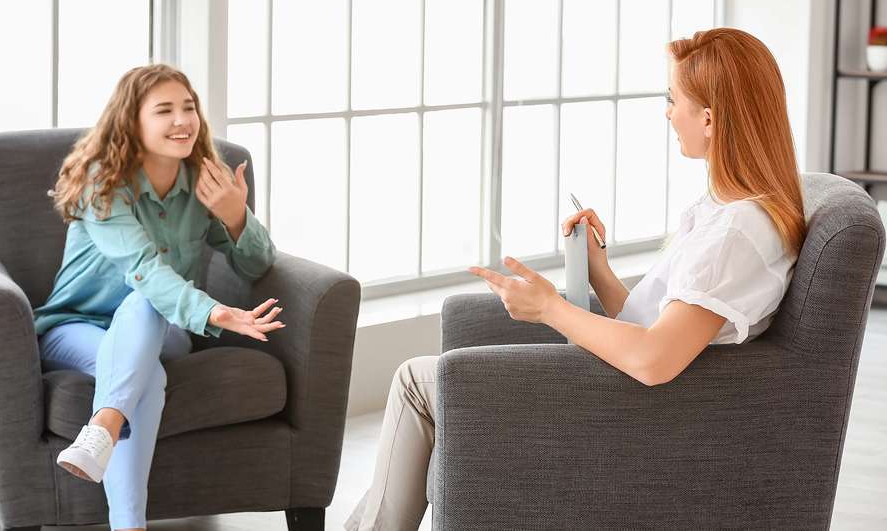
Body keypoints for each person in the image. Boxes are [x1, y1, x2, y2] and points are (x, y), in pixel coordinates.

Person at [344, 27, 807, 531]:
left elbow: (655, 359)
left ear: (710, 119)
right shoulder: (732, 213)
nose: (668, 114)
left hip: (625, 406)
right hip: (621, 390)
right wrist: (597, 269)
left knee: (415, 381)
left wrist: (550, 307)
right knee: (429, 387)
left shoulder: (735, 232)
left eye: (673, 100)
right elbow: (658, 327)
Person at [34, 63, 284, 531]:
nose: (182, 120)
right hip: (75, 326)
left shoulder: (203, 182)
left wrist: (235, 215)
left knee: (147, 306)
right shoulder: (101, 183)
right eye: (164, 110)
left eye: (188, 108)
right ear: (132, 122)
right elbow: (145, 270)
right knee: (148, 372)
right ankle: (129, 524)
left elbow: (257, 266)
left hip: (165, 329)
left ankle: (103, 428)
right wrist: (218, 313)